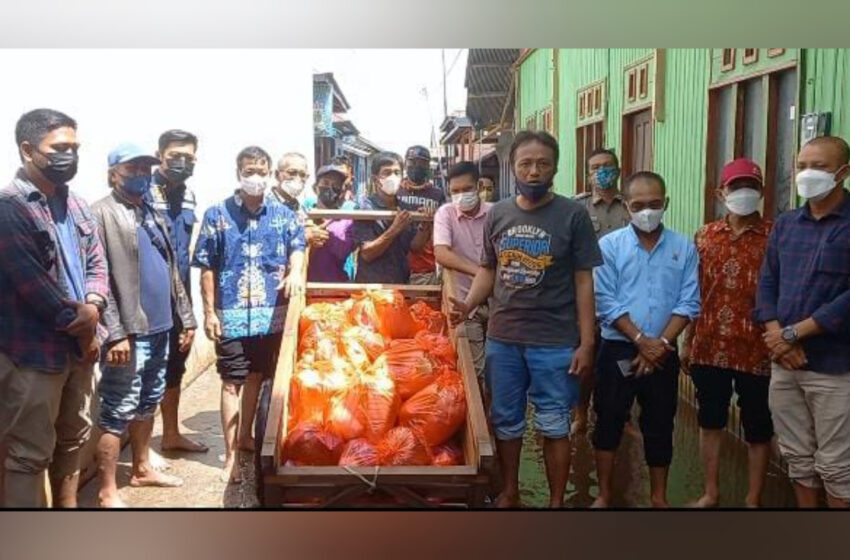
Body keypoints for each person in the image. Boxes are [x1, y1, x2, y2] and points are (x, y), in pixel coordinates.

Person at [448, 131, 601, 508]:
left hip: (555, 341)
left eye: (543, 163)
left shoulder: (573, 215)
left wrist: (586, 342)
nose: (534, 171)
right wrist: (467, 306)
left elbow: (584, 282)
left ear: (555, 168)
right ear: (512, 168)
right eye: (526, 164)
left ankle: (554, 502)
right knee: (506, 421)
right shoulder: (498, 213)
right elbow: (488, 270)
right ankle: (511, 490)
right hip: (504, 338)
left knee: (554, 425)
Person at [0, 108, 108, 507]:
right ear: (28, 150)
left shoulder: (77, 204)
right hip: (33, 356)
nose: (70, 156)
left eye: (75, 148)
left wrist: (94, 305)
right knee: (28, 457)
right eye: (59, 148)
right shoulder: (9, 208)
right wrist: (85, 328)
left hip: (79, 350)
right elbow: (32, 286)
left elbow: (98, 263)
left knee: (73, 440)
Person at [92, 143, 197, 507]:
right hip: (130, 334)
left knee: (148, 401)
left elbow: (172, 269)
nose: (140, 176)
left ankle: (141, 468)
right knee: (117, 407)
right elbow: (98, 280)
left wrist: (186, 318)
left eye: (144, 169)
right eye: (131, 169)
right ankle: (107, 489)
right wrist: (115, 333)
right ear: (113, 174)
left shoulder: (151, 211)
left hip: (161, 327)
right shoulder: (99, 215)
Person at [192, 146, 305, 483]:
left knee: (258, 377)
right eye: (249, 171)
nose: (255, 177)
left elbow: (297, 245)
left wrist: (296, 271)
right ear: (238, 173)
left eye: (261, 171)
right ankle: (229, 458)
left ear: (270, 174)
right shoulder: (217, 215)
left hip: (272, 315)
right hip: (232, 317)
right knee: (231, 383)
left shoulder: (283, 215)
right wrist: (210, 313)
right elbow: (207, 267)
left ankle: (245, 438)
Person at [592, 171, 700, 508]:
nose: (647, 211)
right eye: (639, 205)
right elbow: (605, 299)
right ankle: (605, 494)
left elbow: (689, 300)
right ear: (626, 207)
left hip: (664, 349)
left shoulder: (683, 247)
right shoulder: (609, 247)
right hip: (618, 348)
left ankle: (658, 498)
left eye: (654, 204)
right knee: (608, 418)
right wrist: (641, 340)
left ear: (665, 203)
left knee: (660, 421)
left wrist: (660, 345)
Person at [755, 136, 850, 509]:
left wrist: (795, 333)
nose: (807, 174)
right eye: (801, 165)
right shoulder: (786, 224)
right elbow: (767, 283)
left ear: (842, 173)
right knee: (798, 458)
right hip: (785, 364)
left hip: (834, 367)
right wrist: (777, 336)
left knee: (837, 466)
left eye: (820, 167)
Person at [682, 158, 773, 508]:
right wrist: (688, 341)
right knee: (710, 420)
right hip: (709, 344)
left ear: (762, 192)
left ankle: (753, 499)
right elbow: (695, 292)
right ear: (721, 192)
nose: (743, 193)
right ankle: (711, 492)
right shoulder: (705, 236)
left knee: (758, 426)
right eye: (736, 187)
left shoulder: (775, 235)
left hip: (758, 348)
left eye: (750, 186)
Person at [147, 129, 207, 455]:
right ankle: (143, 452)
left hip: (179, 300)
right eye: (175, 157)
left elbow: (182, 255)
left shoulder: (188, 196)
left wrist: (189, 314)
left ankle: (171, 434)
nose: (182, 163)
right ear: (160, 155)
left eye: (189, 157)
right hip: (147, 304)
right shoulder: (142, 193)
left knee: (174, 369)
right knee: (143, 376)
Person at [572, 148, 631, 435]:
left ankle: (622, 416)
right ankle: (581, 413)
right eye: (595, 167)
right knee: (586, 360)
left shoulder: (631, 206)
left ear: (618, 170)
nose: (602, 172)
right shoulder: (578, 208)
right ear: (588, 173)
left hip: (625, 298)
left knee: (621, 360)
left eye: (607, 166)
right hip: (589, 298)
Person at [434, 162, 491, 380]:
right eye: (455, 191)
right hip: (465, 302)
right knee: (475, 371)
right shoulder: (445, 214)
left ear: (479, 186)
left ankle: (494, 411)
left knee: (499, 367)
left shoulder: (495, 214)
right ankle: (481, 412)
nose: (461, 195)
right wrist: (480, 273)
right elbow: (442, 253)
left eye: (466, 189)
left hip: (497, 301)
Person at [353, 151, 431, 284]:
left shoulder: (404, 208)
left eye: (397, 173)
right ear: (375, 179)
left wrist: (425, 226)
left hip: (399, 283)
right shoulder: (365, 207)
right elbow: (367, 253)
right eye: (387, 173)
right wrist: (395, 229)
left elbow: (415, 247)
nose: (392, 177)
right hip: (371, 287)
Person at [397, 145, 444, 285]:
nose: (417, 166)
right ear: (406, 163)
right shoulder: (396, 191)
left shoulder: (437, 194)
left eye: (422, 162)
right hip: (396, 263)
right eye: (413, 161)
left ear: (428, 165)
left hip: (424, 268)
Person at [305, 164, 355, 282]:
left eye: (336, 185)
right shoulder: (303, 216)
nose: (330, 189)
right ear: (315, 187)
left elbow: (342, 253)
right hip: (306, 288)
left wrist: (325, 229)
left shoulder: (347, 220)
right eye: (326, 183)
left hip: (335, 290)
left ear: (342, 191)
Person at [270, 152, 312, 216]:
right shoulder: (263, 206)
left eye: (303, 175)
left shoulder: (303, 210)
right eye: (292, 173)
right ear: (277, 174)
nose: (298, 179)